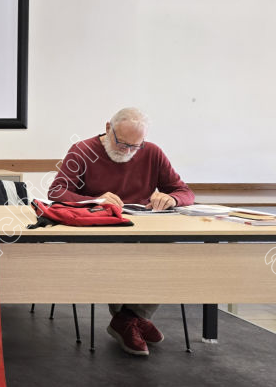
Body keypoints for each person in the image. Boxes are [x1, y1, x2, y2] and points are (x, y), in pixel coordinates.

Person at [47, 107, 195, 357]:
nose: (127, 151)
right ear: (108, 128)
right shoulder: (83, 151)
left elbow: (184, 192)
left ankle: (128, 318)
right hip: (98, 230)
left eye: (135, 146)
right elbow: (56, 192)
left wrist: (172, 199)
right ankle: (133, 319)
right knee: (122, 250)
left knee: (167, 250)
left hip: (142, 228)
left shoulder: (152, 152)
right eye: (122, 143)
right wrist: (95, 200)